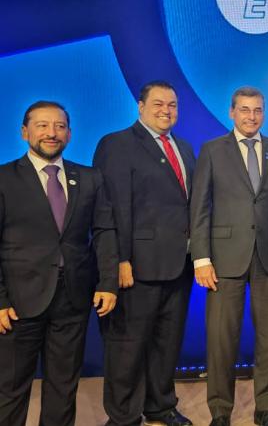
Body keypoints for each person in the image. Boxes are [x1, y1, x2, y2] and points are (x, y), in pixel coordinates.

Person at [0, 101, 118, 426]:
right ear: (25, 132)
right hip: (18, 305)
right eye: (42, 125)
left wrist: (108, 283)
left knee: (63, 389)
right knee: (10, 391)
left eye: (60, 126)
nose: (52, 133)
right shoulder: (4, 178)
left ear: (69, 133)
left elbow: (105, 232)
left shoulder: (90, 178)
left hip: (73, 300)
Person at [94, 80, 196, 426]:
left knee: (167, 343)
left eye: (172, 105)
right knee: (127, 346)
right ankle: (123, 416)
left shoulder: (183, 147)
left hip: (178, 265)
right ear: (140, 106)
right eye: (158, 104)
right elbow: (113, 207)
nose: (166, 111)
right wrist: (119, 260)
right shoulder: (117, 144)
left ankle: (161, 405)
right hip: (136, 267)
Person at [189, 87, 268, 426]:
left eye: (257, 110)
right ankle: (220, 411)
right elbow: (199, 208)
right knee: (221, 340)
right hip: (223, 260)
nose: (251, 116)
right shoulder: (212, 151)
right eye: (244, 110)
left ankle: (265, 409)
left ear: (264, 113)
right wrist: (201, 258)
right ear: (232, 112)